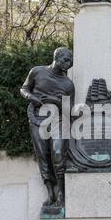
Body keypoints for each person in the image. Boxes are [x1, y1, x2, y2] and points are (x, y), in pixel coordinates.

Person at [21, 48, 74, 209]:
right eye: (66, 60)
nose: (68, 64)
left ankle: (62, 194)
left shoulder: (68, 84)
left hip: (58, 120)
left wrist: (55, 101)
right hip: (37, 119)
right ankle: (50, 192)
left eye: (70, 61)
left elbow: (70, 109)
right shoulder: (37, 72)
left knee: (58, 153)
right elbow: (24, 89)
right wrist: (32, 98)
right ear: (56, 57)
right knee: (43, 156)